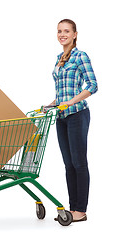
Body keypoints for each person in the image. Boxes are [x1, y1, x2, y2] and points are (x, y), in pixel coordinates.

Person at [47, 19, 98, 222]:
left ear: (75, 34)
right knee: (68, 165)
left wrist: (71, 102)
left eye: (67, 31)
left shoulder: (80, 56)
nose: (62, 34)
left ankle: (80, 210)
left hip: (77, 114)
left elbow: (93, 85)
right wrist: (52, 104)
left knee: (79, 163)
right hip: (61, 117)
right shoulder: (60, 59)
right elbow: (62, 92)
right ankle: (72, 208)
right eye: (59, 31)